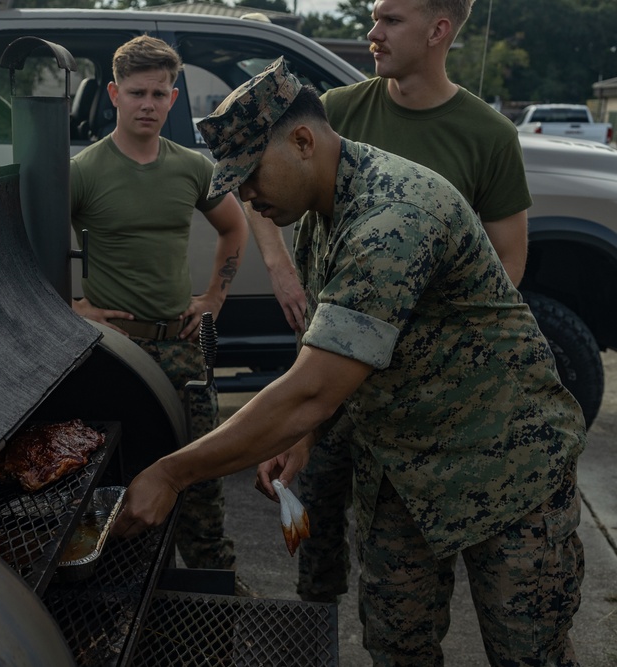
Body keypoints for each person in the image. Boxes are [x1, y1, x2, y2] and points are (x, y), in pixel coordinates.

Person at [112, 58, 585, 666]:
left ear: (304, 141)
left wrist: (173, 473)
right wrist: (302, 437)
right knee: (395, 646)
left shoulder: (392, 217)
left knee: (529, 653)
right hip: (402, 468)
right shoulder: (324, 209)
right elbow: (330, 357)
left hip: (504, 465)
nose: (248, 197)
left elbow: (313, 388)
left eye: (251, 175)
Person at [246, 0, 532, 605]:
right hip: (335, 361)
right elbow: (265, 179)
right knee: (312, 513)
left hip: (418, 390)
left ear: (439, 30)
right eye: (373, 16)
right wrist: (279, 265)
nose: (372, 33)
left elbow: (507, 263)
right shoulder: (336, 114)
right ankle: (314, 621)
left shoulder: (489, 135)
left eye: (390, 20)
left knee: (409, 560)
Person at [68, 36, 252, 592]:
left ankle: (211, 594)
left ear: (173, 99)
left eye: (158, 93)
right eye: (136, 93)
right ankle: (112, 589)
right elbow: (28, 246)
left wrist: (213, 299)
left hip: (179, 348)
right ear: (113, 96)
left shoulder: (192, 168)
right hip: (114, 351)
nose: (147, 104)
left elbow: (234, 227)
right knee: (109, 478)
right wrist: (73, 305)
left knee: (201, 480)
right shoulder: (84, 171)